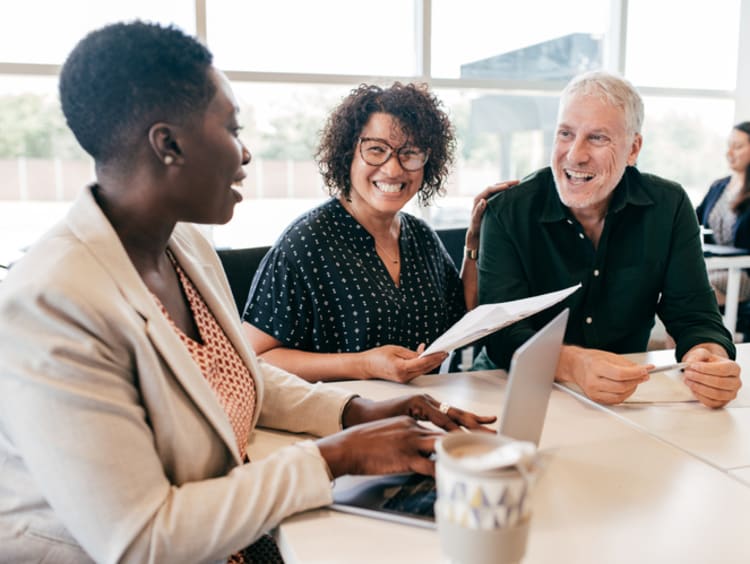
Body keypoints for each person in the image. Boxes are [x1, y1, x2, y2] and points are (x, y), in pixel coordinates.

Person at [0, 21, 496, 563]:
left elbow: (237, 374)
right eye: (232, 128)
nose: (246, 153)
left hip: (234, 533)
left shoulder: (183, 245)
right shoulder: (50, 302)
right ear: (169, 144)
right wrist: (336, 457)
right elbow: (141, 540)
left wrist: (359, 413)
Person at [476, 70, 742, 408]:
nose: (575, 154)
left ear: (633, 149)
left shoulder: (669, 206)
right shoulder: (507, 212)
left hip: (622, 396)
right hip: (511, 387)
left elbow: (694, 316)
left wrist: (708, 357)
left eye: (597, 138)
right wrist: (574, 364)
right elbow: (502, 333)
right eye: (565, 134)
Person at [243, 82, 515, 383]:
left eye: (410, 153)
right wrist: (363, 365)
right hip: (340, 418)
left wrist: (474, 242)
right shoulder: (305, 244)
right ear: (348, 154)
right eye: (376, 150)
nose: (394, 169)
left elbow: (463, 314)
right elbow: (256, 357)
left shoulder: (420, 236)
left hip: (422, 410)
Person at [696, 121, 750, 305]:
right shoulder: (719, 186)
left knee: (694, 292)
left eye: (738, 147)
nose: (729, 153)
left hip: (743, 272)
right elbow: (692, 219)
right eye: (729, 146)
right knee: (674, 287)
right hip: (715, 266)